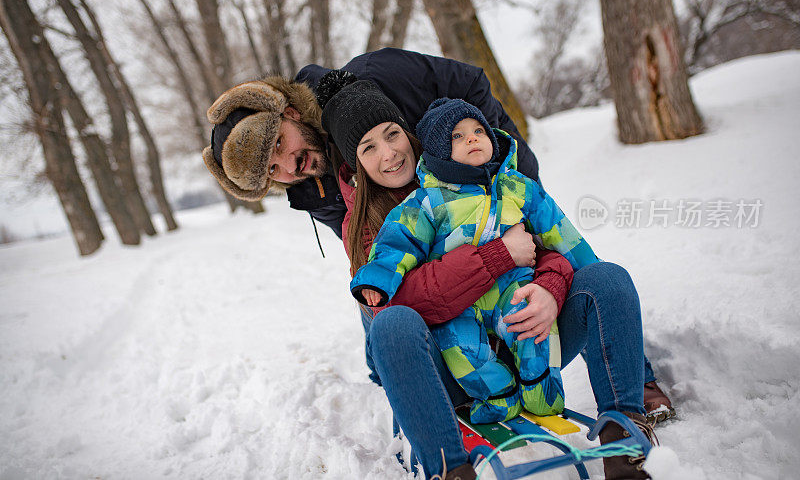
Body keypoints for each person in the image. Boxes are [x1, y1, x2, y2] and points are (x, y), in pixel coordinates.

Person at [202, 48, 672, 479]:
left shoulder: (385, 80)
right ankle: (444, 455)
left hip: (517, 317)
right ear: (352, 162)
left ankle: (626, 421)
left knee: (598, 274)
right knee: (390, 322)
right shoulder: (332, 197)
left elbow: (554, 246)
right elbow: (381, 285)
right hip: (452, 353)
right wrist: (493, 257)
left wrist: (500, 170)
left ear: (289, 114)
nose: (287, 167)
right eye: (270, 171)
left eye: (279, 147)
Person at [350, 97, 602, 425]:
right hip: (458, 306)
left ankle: (541, 391)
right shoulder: (426, 201)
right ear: (439, 152)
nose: (471, 138)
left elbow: (560, 233)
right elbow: (398, 243)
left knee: (533, 328)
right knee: (461, 348)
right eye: (457, 136)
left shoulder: (518, 187)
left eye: (478, 130)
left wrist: (591, 271)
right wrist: (377, 278)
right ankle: (499, 396)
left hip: (511, 287)